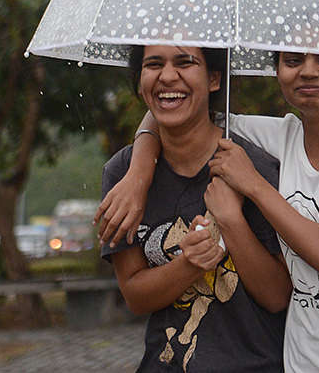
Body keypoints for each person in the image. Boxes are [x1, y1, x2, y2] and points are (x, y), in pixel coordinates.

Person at [98, 51, 319, 373]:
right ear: (278, 71)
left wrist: (252, 188)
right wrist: (138, 174)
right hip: (306, 359)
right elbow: (172, 104)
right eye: (292, 61)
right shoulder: (281, 137)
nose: (308, 71)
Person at [100, 44, 290, 372]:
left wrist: (232, 221)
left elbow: (277, 296)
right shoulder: (123, 174)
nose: (168, 76)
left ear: (214, 79)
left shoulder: (253, 166)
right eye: (153, 64)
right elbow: (134, 295)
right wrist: (189, 263)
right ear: (140, 80)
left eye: (185, 63)